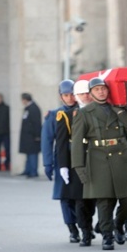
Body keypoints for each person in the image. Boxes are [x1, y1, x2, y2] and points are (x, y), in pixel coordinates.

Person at [71, 77, 127, 250]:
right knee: (105, 201)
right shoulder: (84, 113)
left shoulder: (118, 109)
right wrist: (79, 167)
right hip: (98, 158)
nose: (101, 92)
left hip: (122, 157)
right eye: (97, 89)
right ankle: (107, 236)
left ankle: (118, 223)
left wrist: (120, 113)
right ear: (91, 93)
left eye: (103, 89)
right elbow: (77, 142)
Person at [56, 79, 97, 246]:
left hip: (96, 159)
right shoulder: (66, 115)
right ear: (76, 96)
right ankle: (85, 231)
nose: (85, 96)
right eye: (81, 94)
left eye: (87, 93)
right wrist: (64, 165)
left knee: (94, 200)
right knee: (80, 200)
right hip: (77, 160)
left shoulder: (98, 111)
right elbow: (62, 142)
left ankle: (90, 226)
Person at [42, 80, 80, 243]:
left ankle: (84, 224)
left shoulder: (84, 111)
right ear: (61, 97)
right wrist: (47, 163)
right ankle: (72, 228)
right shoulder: (54, 115)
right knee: (65, 196)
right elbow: (47, 140)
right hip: (62, 158)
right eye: (66, 95)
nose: (70, 98)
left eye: (72, 94)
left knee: (83, 196)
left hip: (81, 157)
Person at [19, 93, 41, 178]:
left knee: (32, 153)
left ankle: (33, 171)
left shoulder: (33, 108)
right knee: (28, 153)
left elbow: (36, 123)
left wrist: (37, 135)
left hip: (32, 136)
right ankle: (27, 170)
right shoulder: (28, 108)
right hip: (27, 136)